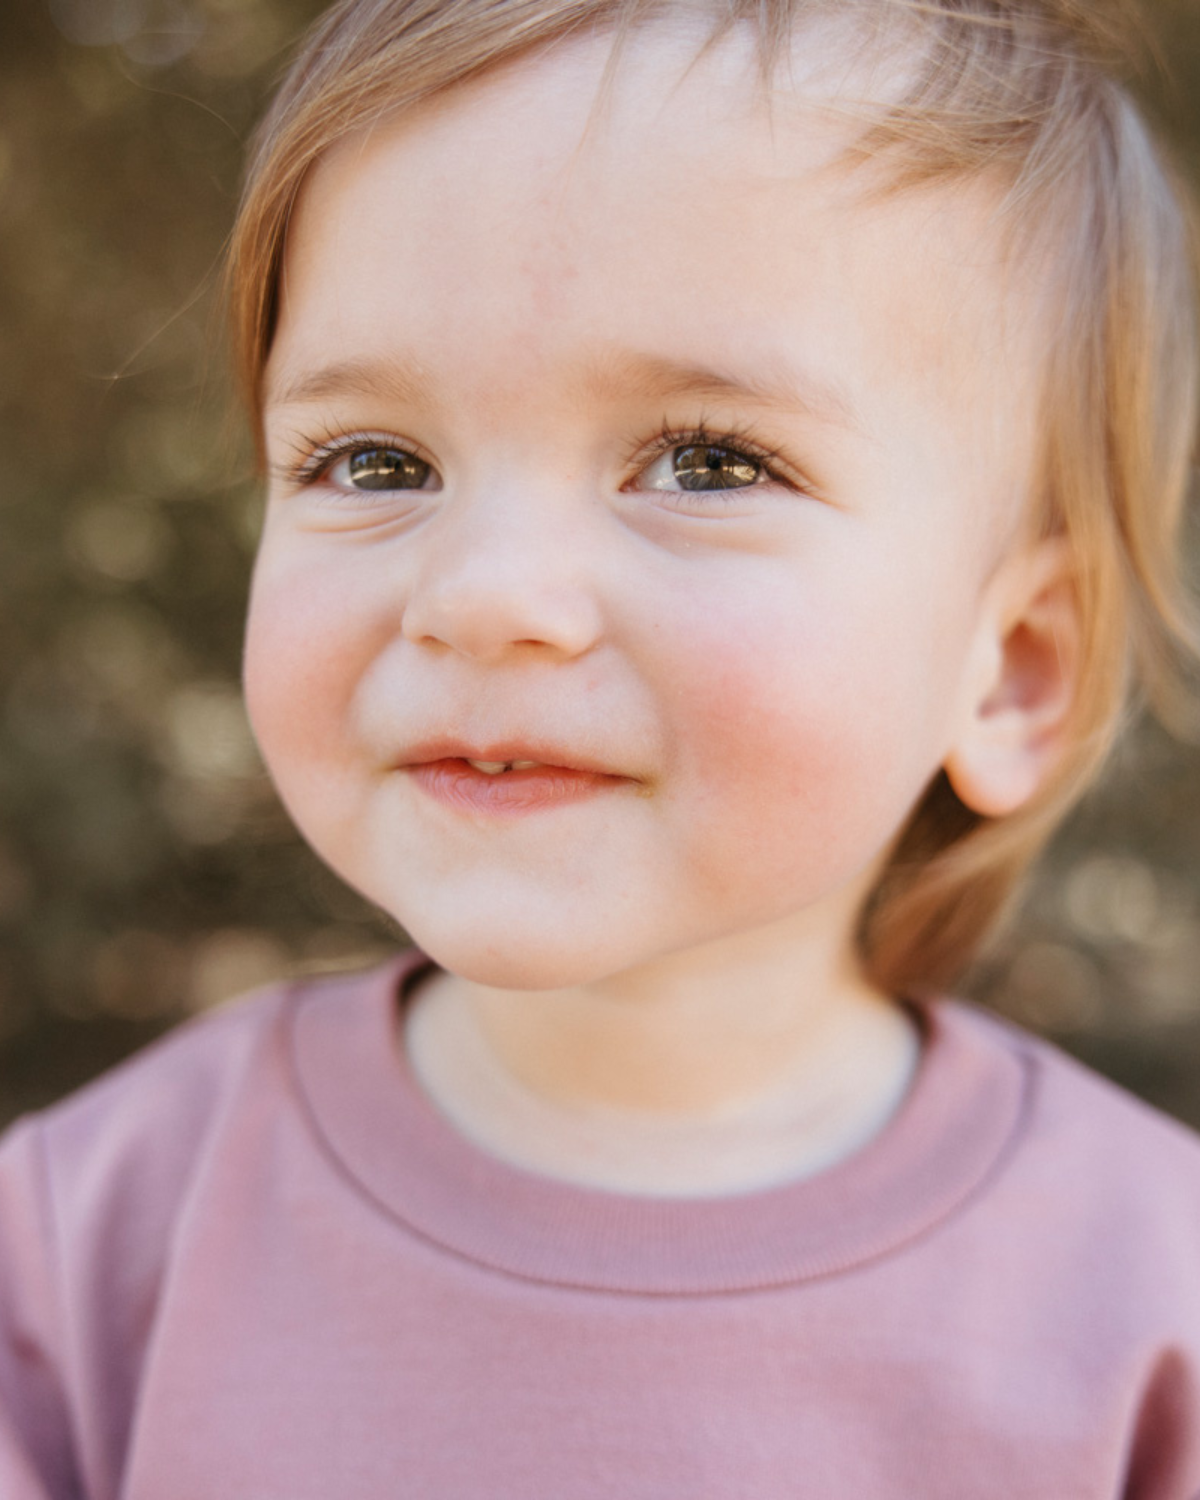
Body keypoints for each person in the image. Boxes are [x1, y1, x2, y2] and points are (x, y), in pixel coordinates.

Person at [2, 0, 1199, 1494]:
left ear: (1012, 670)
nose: (483, 592)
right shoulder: (88, 1247)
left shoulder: (1154, 1312)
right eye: (373, 461)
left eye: (709, 461)